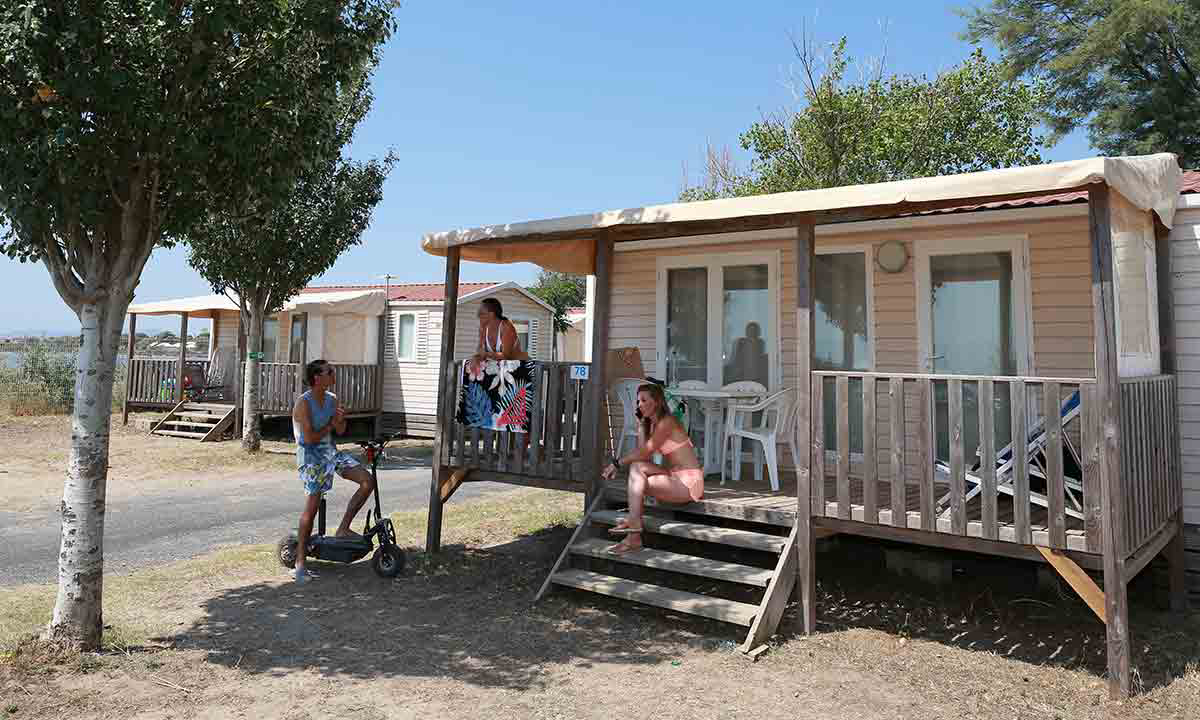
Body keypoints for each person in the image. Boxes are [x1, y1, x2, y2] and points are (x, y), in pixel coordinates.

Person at [290, 359, 377, 582]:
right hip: (311, 458)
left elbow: (340, 430)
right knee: (312, 508)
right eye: (330, 372)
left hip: (331, 453)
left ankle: (343, 529)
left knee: (367, 481)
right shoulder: (304, 403)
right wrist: (330, 425)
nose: (334, 374)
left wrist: (340, 420)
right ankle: (300, 563)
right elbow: (308, 439)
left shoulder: (332, 399)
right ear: (317, 378)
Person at [600, 383, 703, 554]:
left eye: (643, 400)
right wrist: (641, 425)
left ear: (656, 402)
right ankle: (634, 530)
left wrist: (616, 463)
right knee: (637, 474)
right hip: (673, 477)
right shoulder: (653, 425)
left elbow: (644, 452)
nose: (639, 405)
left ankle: (633, 532)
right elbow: (644, 456)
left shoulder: (668, 422)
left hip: (689, 483)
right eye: (637, 401)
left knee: (636, 479)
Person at [470, 297, 529, 371]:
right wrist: (476, 358)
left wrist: (486, 354)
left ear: (491, 314)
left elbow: (506, 356)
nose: (478, 315)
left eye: (481, 313)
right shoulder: (483, 328)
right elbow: (481, 352)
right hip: (501, 370)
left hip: (520, 369)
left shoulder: (506, 327)